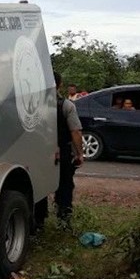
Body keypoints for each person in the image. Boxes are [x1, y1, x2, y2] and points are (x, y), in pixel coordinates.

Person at [54, 71, 84, 227]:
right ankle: (64, 219)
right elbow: (75, 132)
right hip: (62, 151)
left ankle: (36, 222)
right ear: (60, 85)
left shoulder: (31, 104)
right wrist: (79, 153)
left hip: (37, 151)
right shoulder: (66, 105)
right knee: (65, 184)